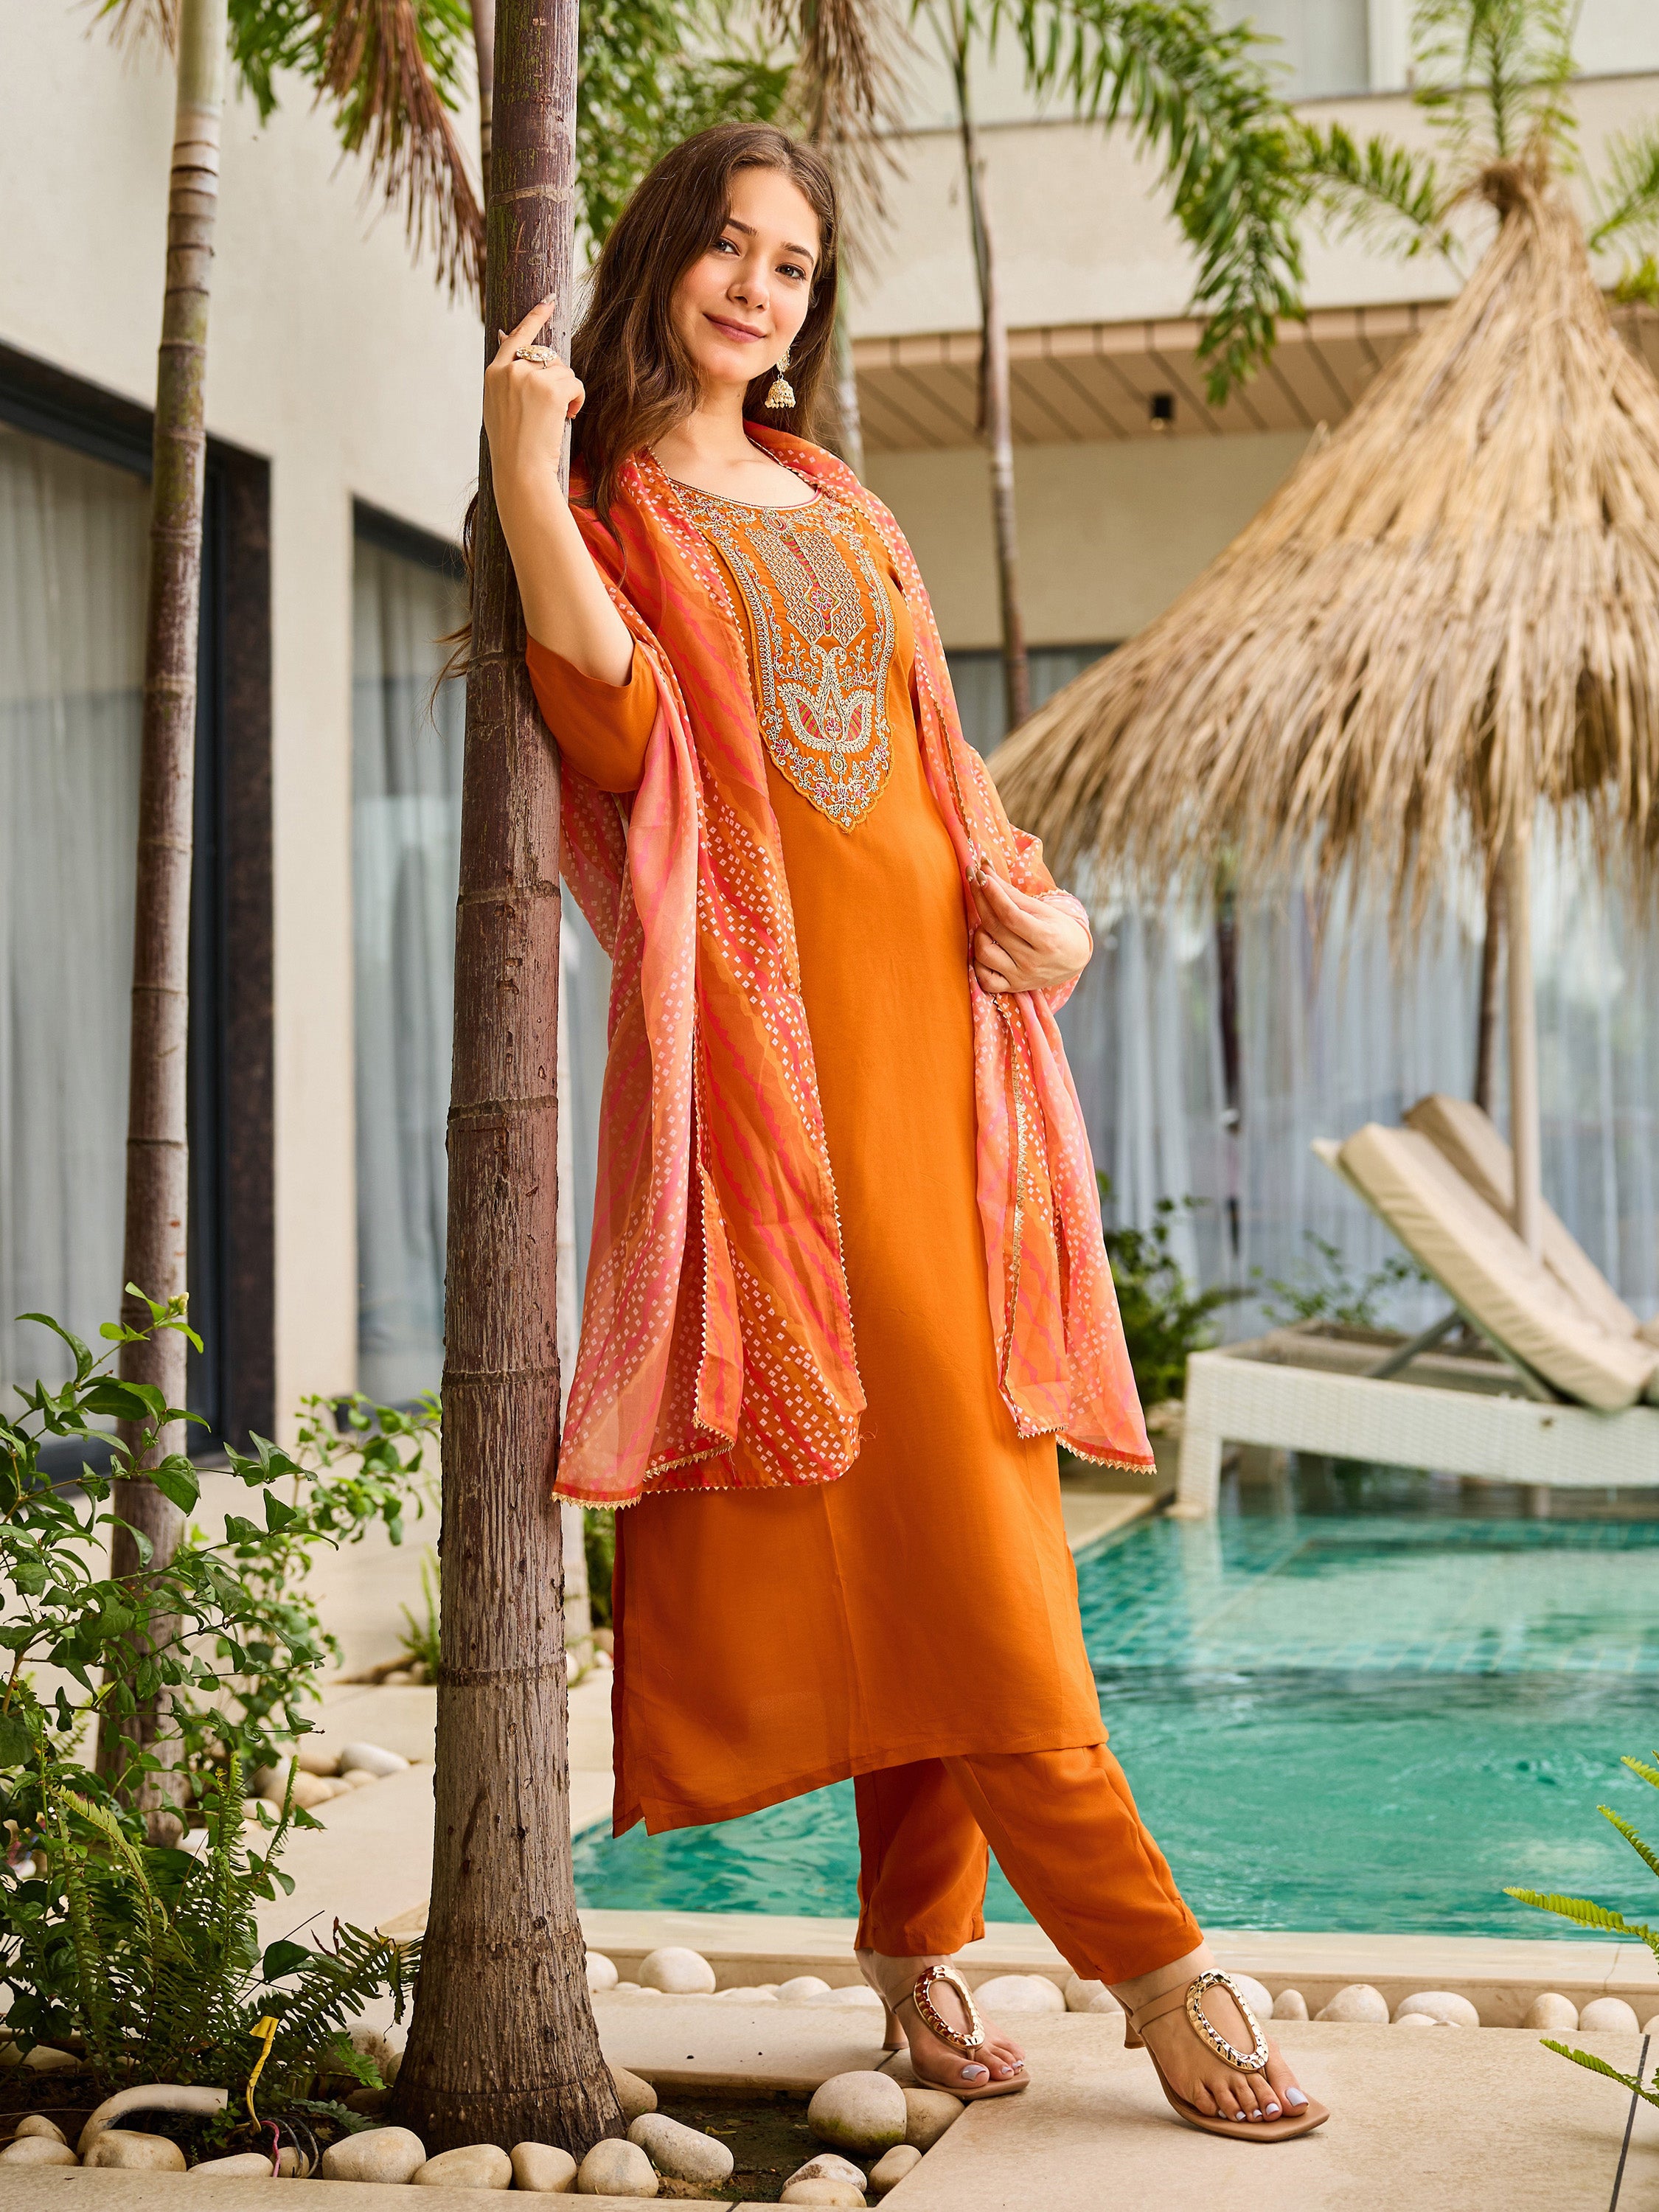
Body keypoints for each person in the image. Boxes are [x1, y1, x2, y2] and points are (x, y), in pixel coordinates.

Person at [481, 121, 1325, 2143]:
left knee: (956, 1509)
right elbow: (606, 718)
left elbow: (943, 778)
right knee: (945, 1526)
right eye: (727, 248)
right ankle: (1160, 1967)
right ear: (664, 260)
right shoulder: (606, 503)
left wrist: (1041, 909)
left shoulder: (836, 493)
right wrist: (524, 458)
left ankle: (915, 1951)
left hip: (948, 1074)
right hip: (770, 1083)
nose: (757, 287)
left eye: (791, 262)